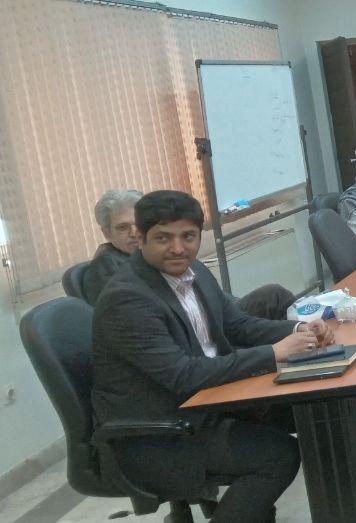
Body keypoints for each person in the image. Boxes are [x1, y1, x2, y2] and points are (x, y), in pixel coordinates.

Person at [92, 190, 335, 521]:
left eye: (188, 236)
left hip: (209, 403)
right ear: (142, 238)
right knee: (277, 456)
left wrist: (297, 329)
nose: (178, 248)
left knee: (318, 408)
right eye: (163, 238)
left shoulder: (193, 271)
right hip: (162, 433)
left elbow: (238, 325)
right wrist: (274, 353)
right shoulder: (127, 299)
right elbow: (183, 375)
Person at [83, 189, 296, 319]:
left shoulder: (157, 254)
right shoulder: (106, 270)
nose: (133, 233)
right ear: (107, 233)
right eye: (122, 228)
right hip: (193, 328)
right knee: (273, 296)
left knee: (272, 304)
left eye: (137, 225)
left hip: (213, 314)